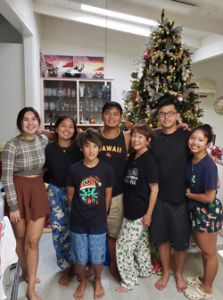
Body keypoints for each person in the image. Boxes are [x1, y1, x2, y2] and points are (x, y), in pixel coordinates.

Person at [1, 107, 50, 300]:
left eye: (34, 119)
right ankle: (25, 272)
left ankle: (31, 289)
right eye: (26, 120)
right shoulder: (12, 145)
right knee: (19, 239)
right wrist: (13, 206)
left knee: (33, 241)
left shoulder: (43, 140)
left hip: (37, 189)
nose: (30, 123)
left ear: (38, 122)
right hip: (17, 191)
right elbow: (6, 177)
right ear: (20, 123)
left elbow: (56, 140)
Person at [67, 128, 115, 300]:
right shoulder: (74, 169)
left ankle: (98, 279)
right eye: (87, 146)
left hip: (98, 221)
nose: (91, 150)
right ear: (82, 148)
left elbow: (107, 195)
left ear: (100, 148)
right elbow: (71, 197)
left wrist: (102, 213)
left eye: (95, 146)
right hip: (78, 221)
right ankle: (83, 282)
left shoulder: (106, 169)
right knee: (80, 257)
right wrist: (80, 212)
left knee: (97, 256)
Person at [149, 95, 191, 293]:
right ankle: (166, 271)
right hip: (158, 198)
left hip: (181, 198)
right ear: (158, 117)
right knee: (162, 239)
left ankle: (179, 273)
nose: (166, 117)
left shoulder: (186, 137)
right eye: (162, 114)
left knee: (180, 241)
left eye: (170, 113)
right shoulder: (154, 140)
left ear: (178, 116)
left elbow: (200, 154)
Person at [115, 124, 159, 293]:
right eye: (134, 135)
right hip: (130, 207)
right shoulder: (133, 157)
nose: (135, 139)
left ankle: (128, 282)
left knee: (123, 246)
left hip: (140, 211)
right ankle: (145, 270)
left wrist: (148, 214)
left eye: (141, 137)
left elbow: (154, 189)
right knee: (141, 243)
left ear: (148, 141)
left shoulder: (149, 160)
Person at [43, 116, 83, 287]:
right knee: (59, 233)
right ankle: (65, 268)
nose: (67, 129)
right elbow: (42, 169)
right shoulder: (49, 149)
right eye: (63, 126)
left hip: (78, 193)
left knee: (77, 230)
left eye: (71, 126)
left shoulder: (79, 148)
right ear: (56, 129)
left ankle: (76, 263)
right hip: (56, 192)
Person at [184, 124, 223, 300]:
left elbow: (209, 197)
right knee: (204, 249)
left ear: (208, 143)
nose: (195, 142)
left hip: (207, 212)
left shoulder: (208, 165)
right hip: (197, 210)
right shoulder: (192, 159)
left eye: (200, 140)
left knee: (208, 253)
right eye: (193, 138)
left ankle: (207, 289)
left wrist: (189, 194)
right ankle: (204, 279)